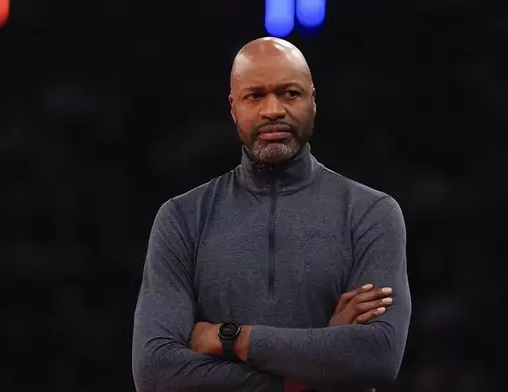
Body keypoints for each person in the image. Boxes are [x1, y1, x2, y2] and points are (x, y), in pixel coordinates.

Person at [131, 37, 411, 392]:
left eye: (289, 93)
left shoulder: (371, 212)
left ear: (313, 101)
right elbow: (155, 372)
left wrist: (229, 338)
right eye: (255, 96)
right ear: (234, 108)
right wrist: (313, 374)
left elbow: (377, 356)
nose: (273, 109)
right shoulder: (182, 218)